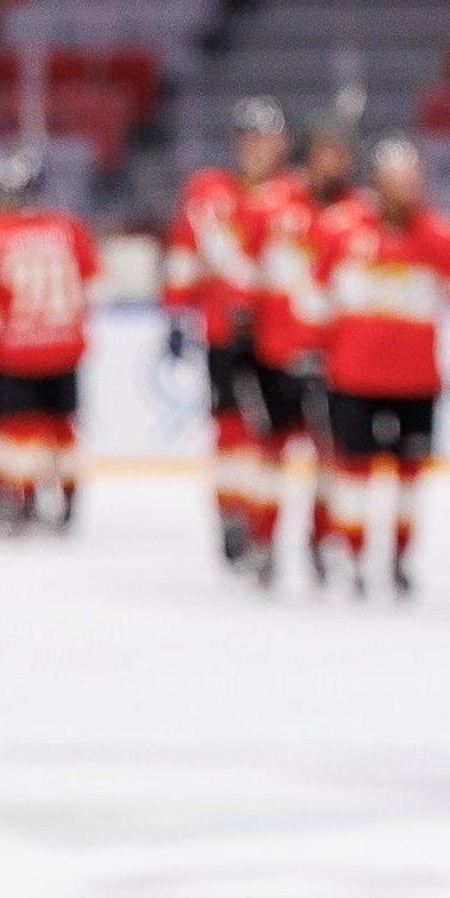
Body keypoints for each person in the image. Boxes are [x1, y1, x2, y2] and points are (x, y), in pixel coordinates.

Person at [307, 138, 450, 598]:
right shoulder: (338, 229)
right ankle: (355, 554)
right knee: (354, 470)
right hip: (353, 376)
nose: (405, 189)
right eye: (396, 180)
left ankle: (400, 556)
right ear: (378, 181)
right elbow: (314, 297)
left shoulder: (445, 235)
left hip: (416, 379)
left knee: (409, 474)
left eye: (412, 179)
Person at [164, 99, 288, 565]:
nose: (257, 149)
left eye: (265, 139)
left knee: (273, 435)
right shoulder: (207, 192)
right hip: (222, 331)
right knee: (231, 429)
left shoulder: (292, 196)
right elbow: (182, 254)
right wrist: (176, 313)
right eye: (249, 139)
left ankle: (264, 523)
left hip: (277, 334)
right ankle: (232, 513)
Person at [237, 124, 356, 586]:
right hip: (275, 351)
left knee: (330, 456)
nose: (334, 164)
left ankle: (322, 540)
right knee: (272, 453)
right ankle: (264, 539)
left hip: (333, 359)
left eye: (341, 154)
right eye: (326, 152)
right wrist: (240, 331)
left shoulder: (361, 213)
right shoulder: (269, 205)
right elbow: (242, 271)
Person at [0, 148, 99, 532]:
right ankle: (68, 497)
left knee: (16, 429)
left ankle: (19, 500)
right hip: (64, 345)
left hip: (15, 349)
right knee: (61, 426)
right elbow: (93, 285)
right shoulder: (67, 227)